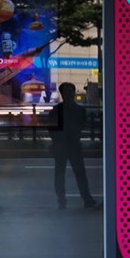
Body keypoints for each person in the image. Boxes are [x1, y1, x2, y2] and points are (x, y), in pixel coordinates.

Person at [49, 82, 99, 210]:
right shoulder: (76, 110)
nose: (68, 94)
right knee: (69, 174)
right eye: (66, 92)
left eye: (69, 92)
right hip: (68, 145)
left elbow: (52, 129)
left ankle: (78, 199)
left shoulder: (58, 110)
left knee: (70, 173)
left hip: (67, 145)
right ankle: (77, 199)